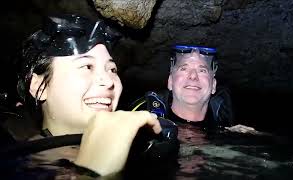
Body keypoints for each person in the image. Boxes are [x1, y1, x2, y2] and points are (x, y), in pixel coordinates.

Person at [1, 14, 178, 179]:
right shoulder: (12, 165)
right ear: (39, 86)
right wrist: (93, 173)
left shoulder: (141, 149)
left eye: (112, 69)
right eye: (87, 66)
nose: (109, 81)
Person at [130, 45, 258, 134]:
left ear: (213, 85)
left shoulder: (225, 128)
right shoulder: (141, 122)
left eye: (202, 70)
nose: (193, 76)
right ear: (170, 82)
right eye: (184, 68)